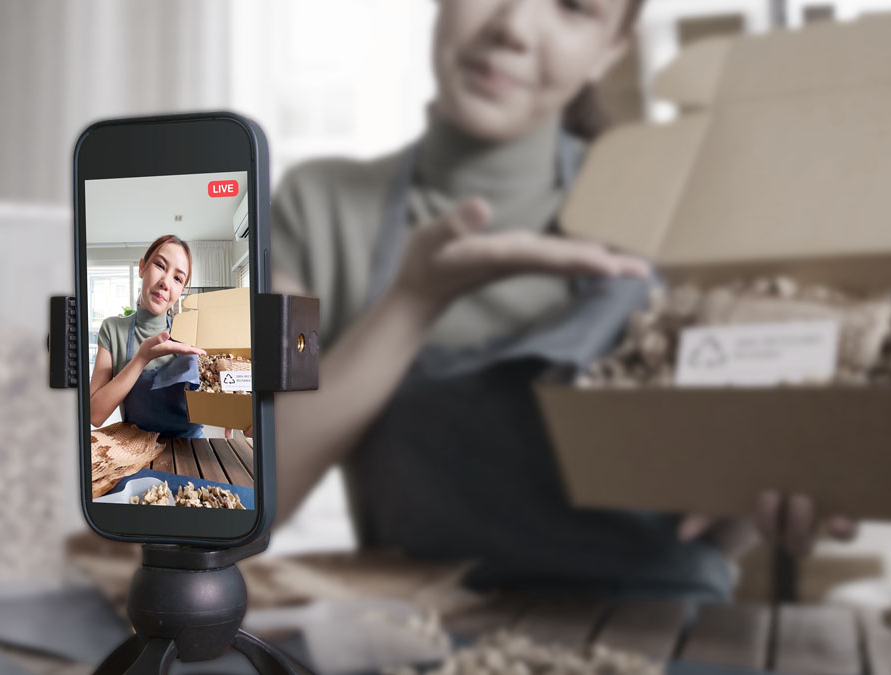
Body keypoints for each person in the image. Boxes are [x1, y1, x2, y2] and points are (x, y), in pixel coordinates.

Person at [270, 0, 855, 597]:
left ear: (614, 47)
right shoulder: (305, 209)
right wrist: (411, 305)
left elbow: (716, 528)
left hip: (662, 633)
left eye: (573, 7)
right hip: (412, 636)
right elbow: (217, 492)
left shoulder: (685, 212)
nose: (514, 27)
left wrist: (772, 486)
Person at [90, 234, 207, 438]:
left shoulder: (192, 332)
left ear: (182, 291)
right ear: (142, 267)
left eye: (178, 279)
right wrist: (141, 358)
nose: (165, 283)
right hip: (135, 451)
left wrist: (243, 417)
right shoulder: (113, 329)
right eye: (160, 266)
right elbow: (95, 414)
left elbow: (223, 394)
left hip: (191, 452)